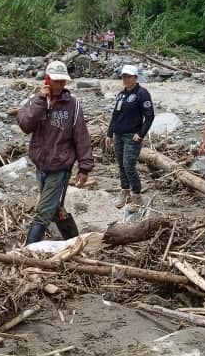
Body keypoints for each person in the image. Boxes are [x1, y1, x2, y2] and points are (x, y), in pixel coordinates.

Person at [16, 60, 93, 245]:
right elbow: (25, 124)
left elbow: (81, 136)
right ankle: (75, 242)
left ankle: (28, 250)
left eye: (62, 81)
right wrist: (41, 100)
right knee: (55, 208)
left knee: (43, 211)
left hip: (61, 167)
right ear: (47, 79)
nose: (60, 85)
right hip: (41, 164)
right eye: (56, 80)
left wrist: (85, 167)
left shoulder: (73, 105)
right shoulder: (35, 100)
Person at [105, 64, 154, 212]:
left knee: (129, 165)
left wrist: (141, 133)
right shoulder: (121, 94)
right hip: (119, 134)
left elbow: (149, 116)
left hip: (132, 136)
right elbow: (115, 114)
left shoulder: (142, 93)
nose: (126, 79)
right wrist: (109, 133)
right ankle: (125, 192)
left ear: (135, 77)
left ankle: (137, 196)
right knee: (121, 164)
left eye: (129, 76)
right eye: (124, 76)